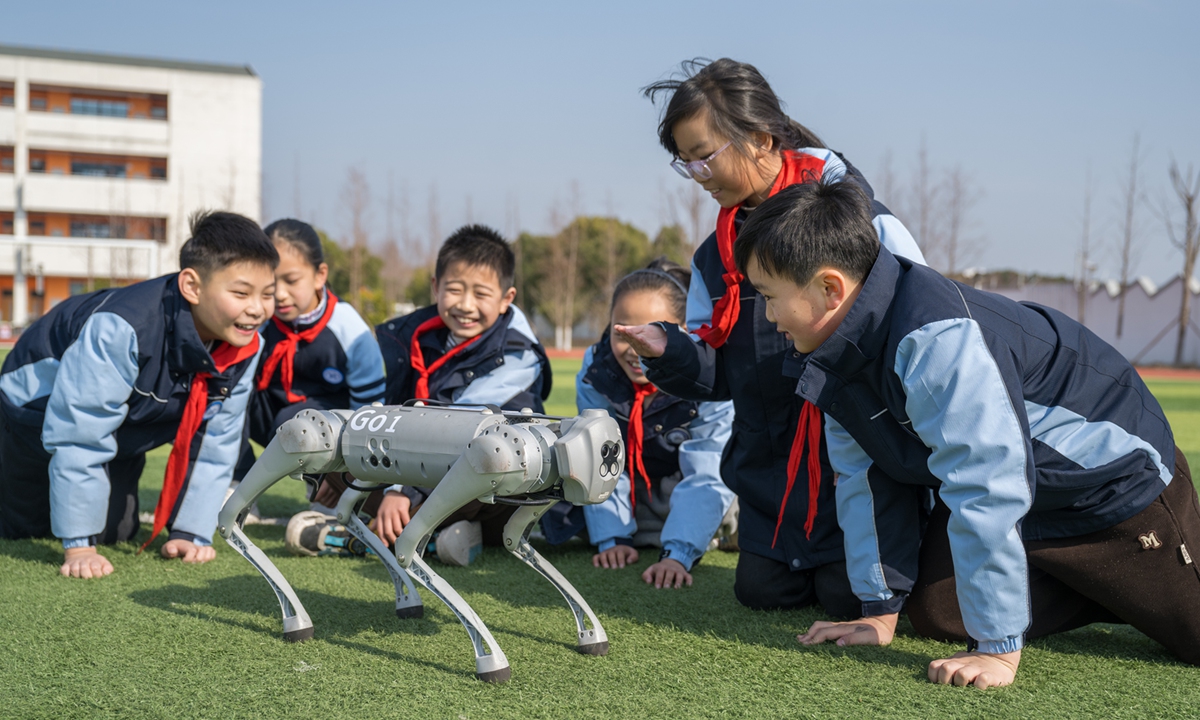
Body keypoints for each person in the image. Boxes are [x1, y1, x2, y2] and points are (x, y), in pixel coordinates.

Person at [728, 177, 1200, 688]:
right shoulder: (834, 354)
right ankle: (1105, 590)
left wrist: (997, 650)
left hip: (1110, 491)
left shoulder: (937, 339)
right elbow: (862, 475)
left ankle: (1130, 586)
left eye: (770, 297)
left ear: (829, 288)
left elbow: (986, 482)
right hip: (1034, 502)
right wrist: (879, 610)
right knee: (936, 612)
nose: (770, 317)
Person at [621, 58, 926, 615]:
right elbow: (722, 373)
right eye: (685, 162)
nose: (699, 175)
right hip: (771, 474)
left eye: (705, 155)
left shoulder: (863, 224)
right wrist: (675, 353)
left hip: (856, 468)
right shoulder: (714, 256)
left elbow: (915, 332)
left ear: (761, 140)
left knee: (847, 595)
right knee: (761, 592)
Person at [0, 211, 277, 579]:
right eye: (241, 293)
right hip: (33, 413)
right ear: (192, 286)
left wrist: (190, 533)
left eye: (267, 294)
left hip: (127, 423)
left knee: (115, 532)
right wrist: (79, 547)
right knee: (25, 530)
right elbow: (80, 431)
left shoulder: (246, 342)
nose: (257, 309)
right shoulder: (122, 328)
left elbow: (217, 441)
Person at [298, 224, 551, 565]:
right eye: (455, 289)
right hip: (422, 473)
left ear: (507, 299)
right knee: (332, 448)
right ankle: (437, 539)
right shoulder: (412, 338)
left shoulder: (519, 356)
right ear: (436, 287)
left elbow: (464, 432)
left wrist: (404, 490)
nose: (465, 304)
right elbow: (392, 422)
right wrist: (354, 472)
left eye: (481, 294)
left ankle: (357, 533)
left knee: (489, 462)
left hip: (489, 492)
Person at [542, 259, 735, 589]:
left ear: (682, 331)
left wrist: (678, 554)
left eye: (653, 329)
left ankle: (699, 533)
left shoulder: (711, 372)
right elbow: (599, 459)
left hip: (690, 483)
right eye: (623, 330)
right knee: (565, 496)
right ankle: (644, 530)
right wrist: (611, 538)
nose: (636, 344)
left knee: (734, 497)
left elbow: (707, 470)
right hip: (635, 487)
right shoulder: (596, 372)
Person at [234, 218, 385, 484]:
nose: (279, 293)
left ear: (319, 275)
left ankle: (325, 486)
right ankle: (238, 482)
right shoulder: (258, 319)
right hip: (274, 417)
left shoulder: (350, 330)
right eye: (270, 280)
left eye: (291, 280)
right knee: (227, 394)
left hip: (330, 427)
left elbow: (370, 412)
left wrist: (353, 473)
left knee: (294, 419)